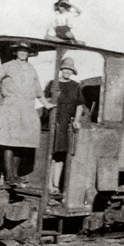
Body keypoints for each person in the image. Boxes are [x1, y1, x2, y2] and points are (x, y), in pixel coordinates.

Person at [0, 41, 55, 185]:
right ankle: (9, 176)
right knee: (8, 142)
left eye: (25, 51)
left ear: (29, 53)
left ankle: (15, 175)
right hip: (11, 108)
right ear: (16, 52)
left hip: (27, 109)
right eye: (20, 50)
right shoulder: (8, 66)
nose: (23, 53)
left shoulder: (31, 68)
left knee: (22, 144)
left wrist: (47, 104)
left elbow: (38, 91)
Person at [44, 56, 86, 194]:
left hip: (66, 124)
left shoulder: (75, 86)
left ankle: (56, 185)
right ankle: (48, 185)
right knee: (50, 153)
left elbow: (79, 105)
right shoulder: (53, 83)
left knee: (60, 155)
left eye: (70, 70)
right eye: (65, 69)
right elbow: (46, 100)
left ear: (72, 72)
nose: (67, 72)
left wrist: (77, 120)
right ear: (61, 70)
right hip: (53, 121)